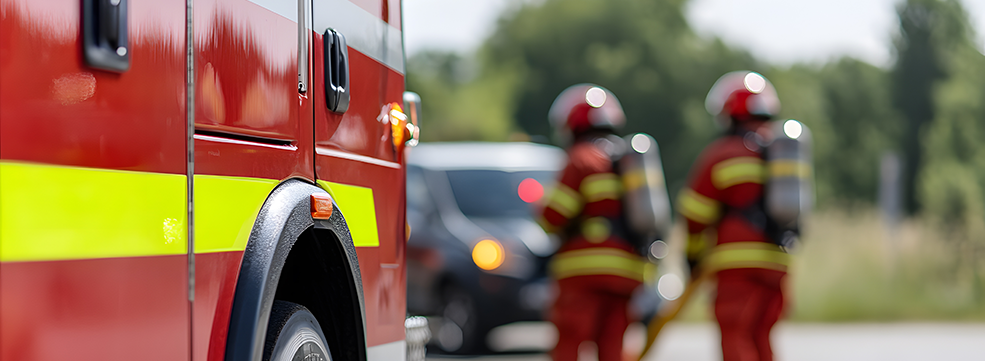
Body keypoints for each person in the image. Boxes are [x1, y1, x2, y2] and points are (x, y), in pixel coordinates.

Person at [678, 71, 792, 361]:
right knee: (761, 336)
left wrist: (692, 257)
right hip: (777, 262)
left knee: (735, 335)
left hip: (736, 264)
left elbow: (695, 215)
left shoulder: (723, 154)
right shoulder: (783, 151)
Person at [539, 84, 648, 361]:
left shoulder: (580, 159)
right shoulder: (628, 161)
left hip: (582, 274)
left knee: (570, 344)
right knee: (613, 347)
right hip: (627, 272)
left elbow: (554, 217)